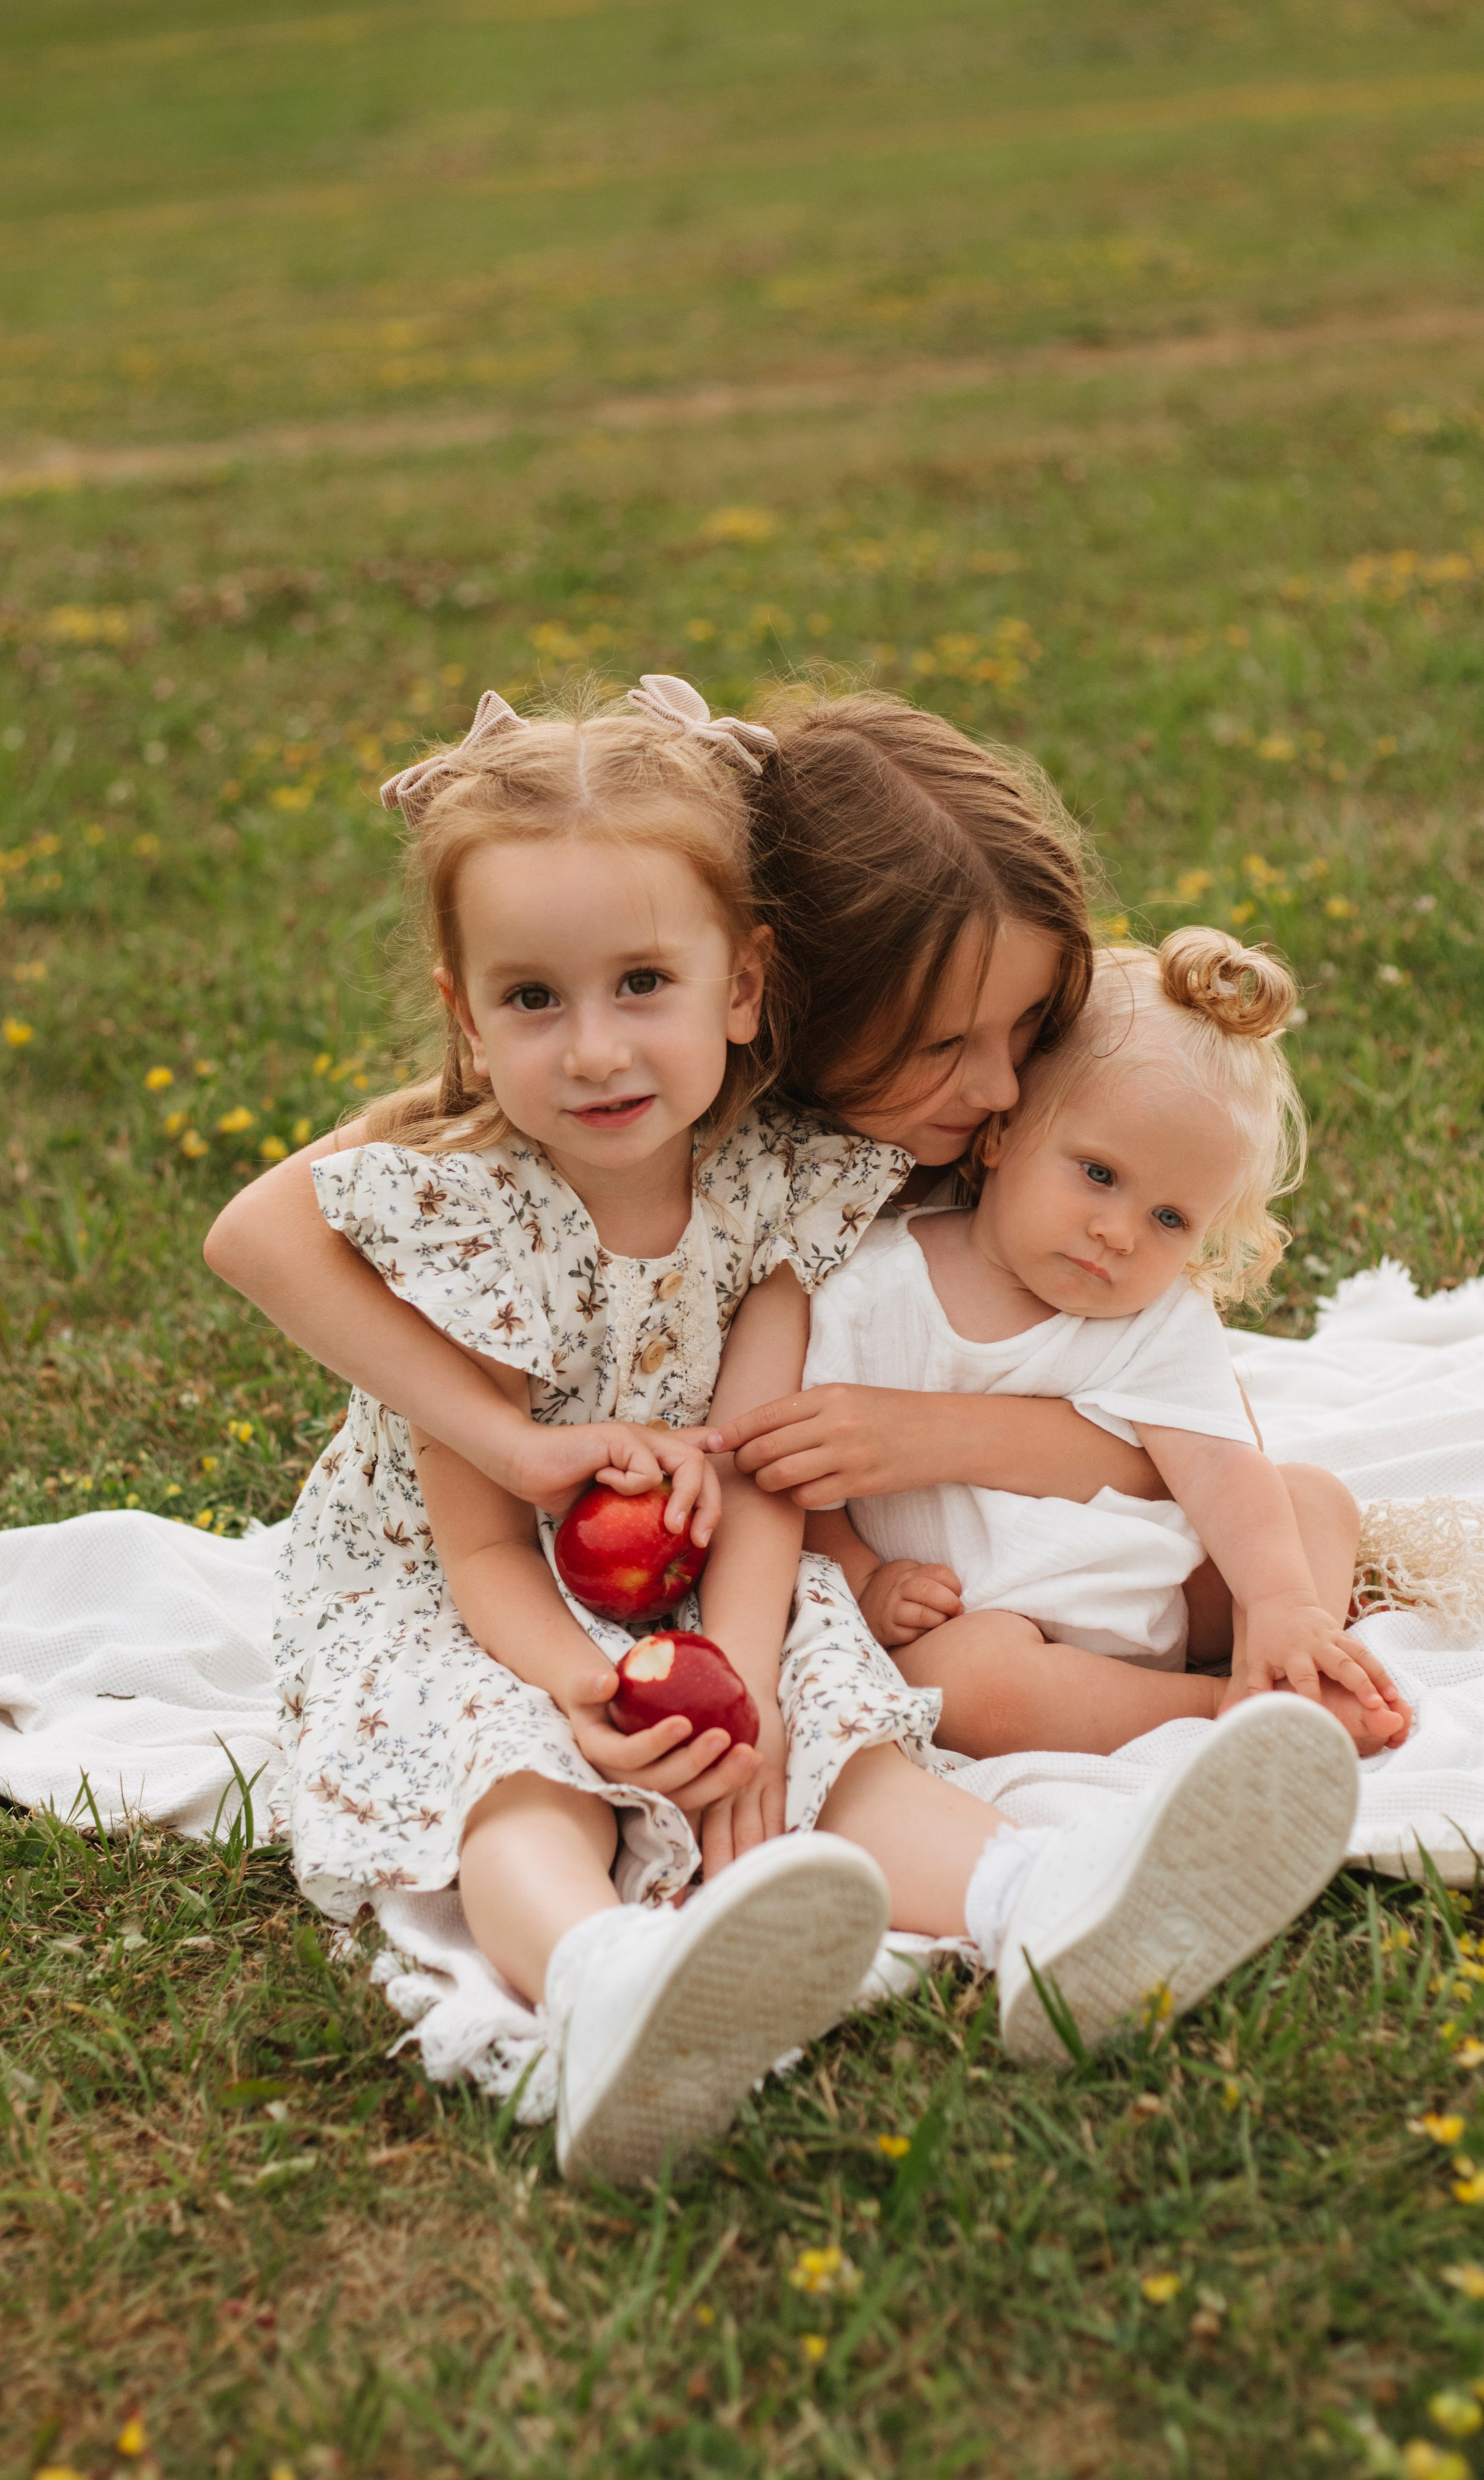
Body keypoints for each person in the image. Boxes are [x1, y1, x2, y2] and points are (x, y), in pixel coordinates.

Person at [205, 679, 1359, 2179]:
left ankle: (1041, 1905)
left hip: (715, 1572)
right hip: (472, 1584)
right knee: (511, 1769)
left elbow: (780, 1451)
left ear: (743, 989)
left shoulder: (804, 1184)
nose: (1004, 1092)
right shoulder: (482, 1198)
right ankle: (601, 1986)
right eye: (954, 1044)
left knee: (842, 1712)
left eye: (1025, 1034)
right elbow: (436, 1475)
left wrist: (744, 1675)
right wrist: (554, 1578)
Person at [800, 927, 1415, 1759]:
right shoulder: (870, 1291)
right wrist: (868, 1580)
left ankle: (1284, 1656)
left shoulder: (1159, 1316)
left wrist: (1280, 1603)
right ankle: (1220, 1705)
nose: (1120, 1233)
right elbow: (809, 1484)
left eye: (1170, 1219)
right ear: (1000, 1135)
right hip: (995, 1619)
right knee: (968, 1687)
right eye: (1098, 1173)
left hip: (1154, 1588)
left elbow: (1223, 1467)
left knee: (1306, 1498)